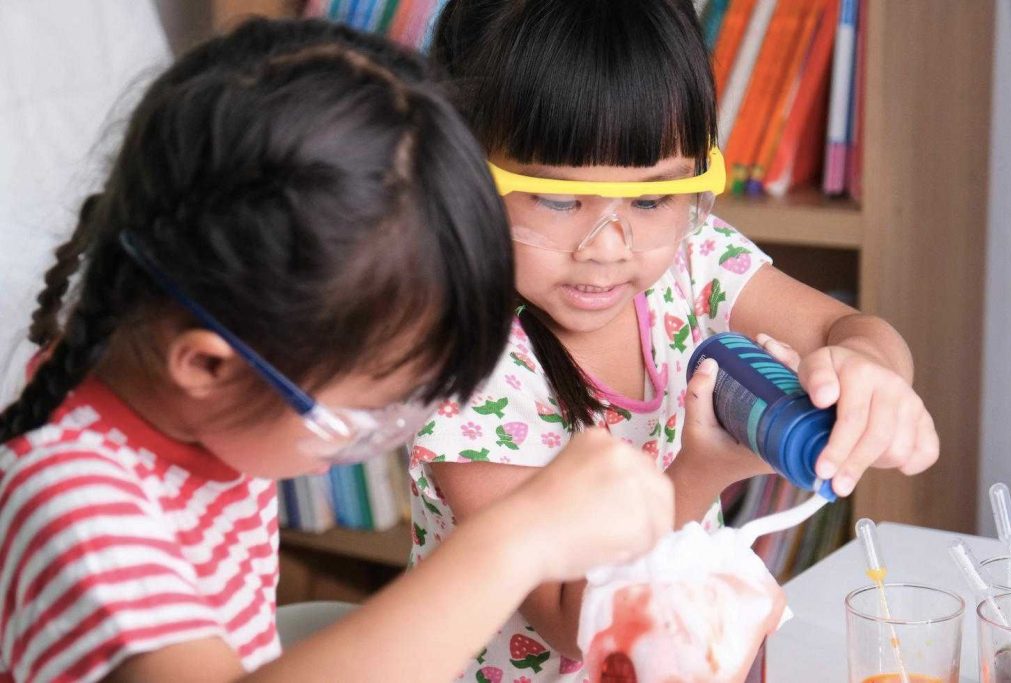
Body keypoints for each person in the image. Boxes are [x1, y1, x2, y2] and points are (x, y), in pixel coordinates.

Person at [0, 18, 675, 683]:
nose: (360, 450)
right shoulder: (76, 505)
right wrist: (518, 536)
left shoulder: (191, 392)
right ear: (206, 364)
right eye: (356, 424)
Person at [408, 1, 941, 679]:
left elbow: (850, 330)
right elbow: (573, 621)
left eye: (654, 198)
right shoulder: (464, 358)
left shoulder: (689, 261)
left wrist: (867, 370)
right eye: (560, 199)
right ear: (463, 176)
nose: (608, 247)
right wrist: (702, 472)